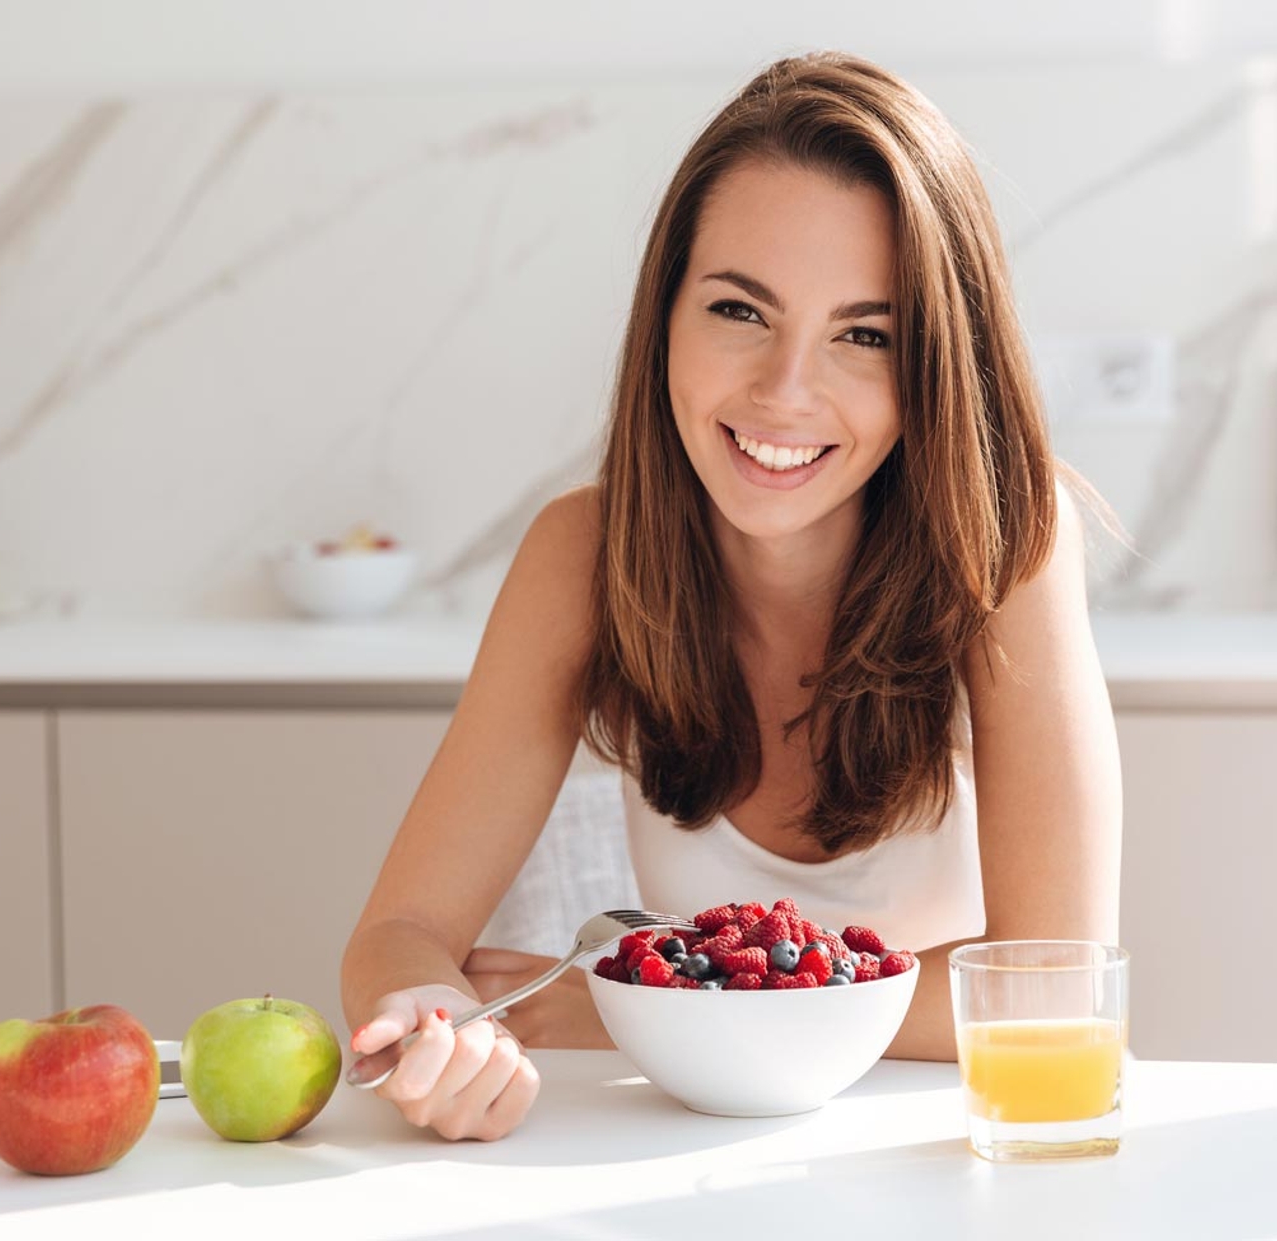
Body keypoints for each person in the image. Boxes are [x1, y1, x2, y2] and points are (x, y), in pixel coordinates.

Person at [340, 49, 1123, 1142]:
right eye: (739, 311)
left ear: (933, 366)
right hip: (678, 1154)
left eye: (863, 334)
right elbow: (405, 930)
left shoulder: (1003, 551)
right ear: (663, 315)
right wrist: (427, 1020)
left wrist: (640, 1004)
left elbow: (1053, 986)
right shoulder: (583, 554)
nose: (784, 390)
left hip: (931, 1153)